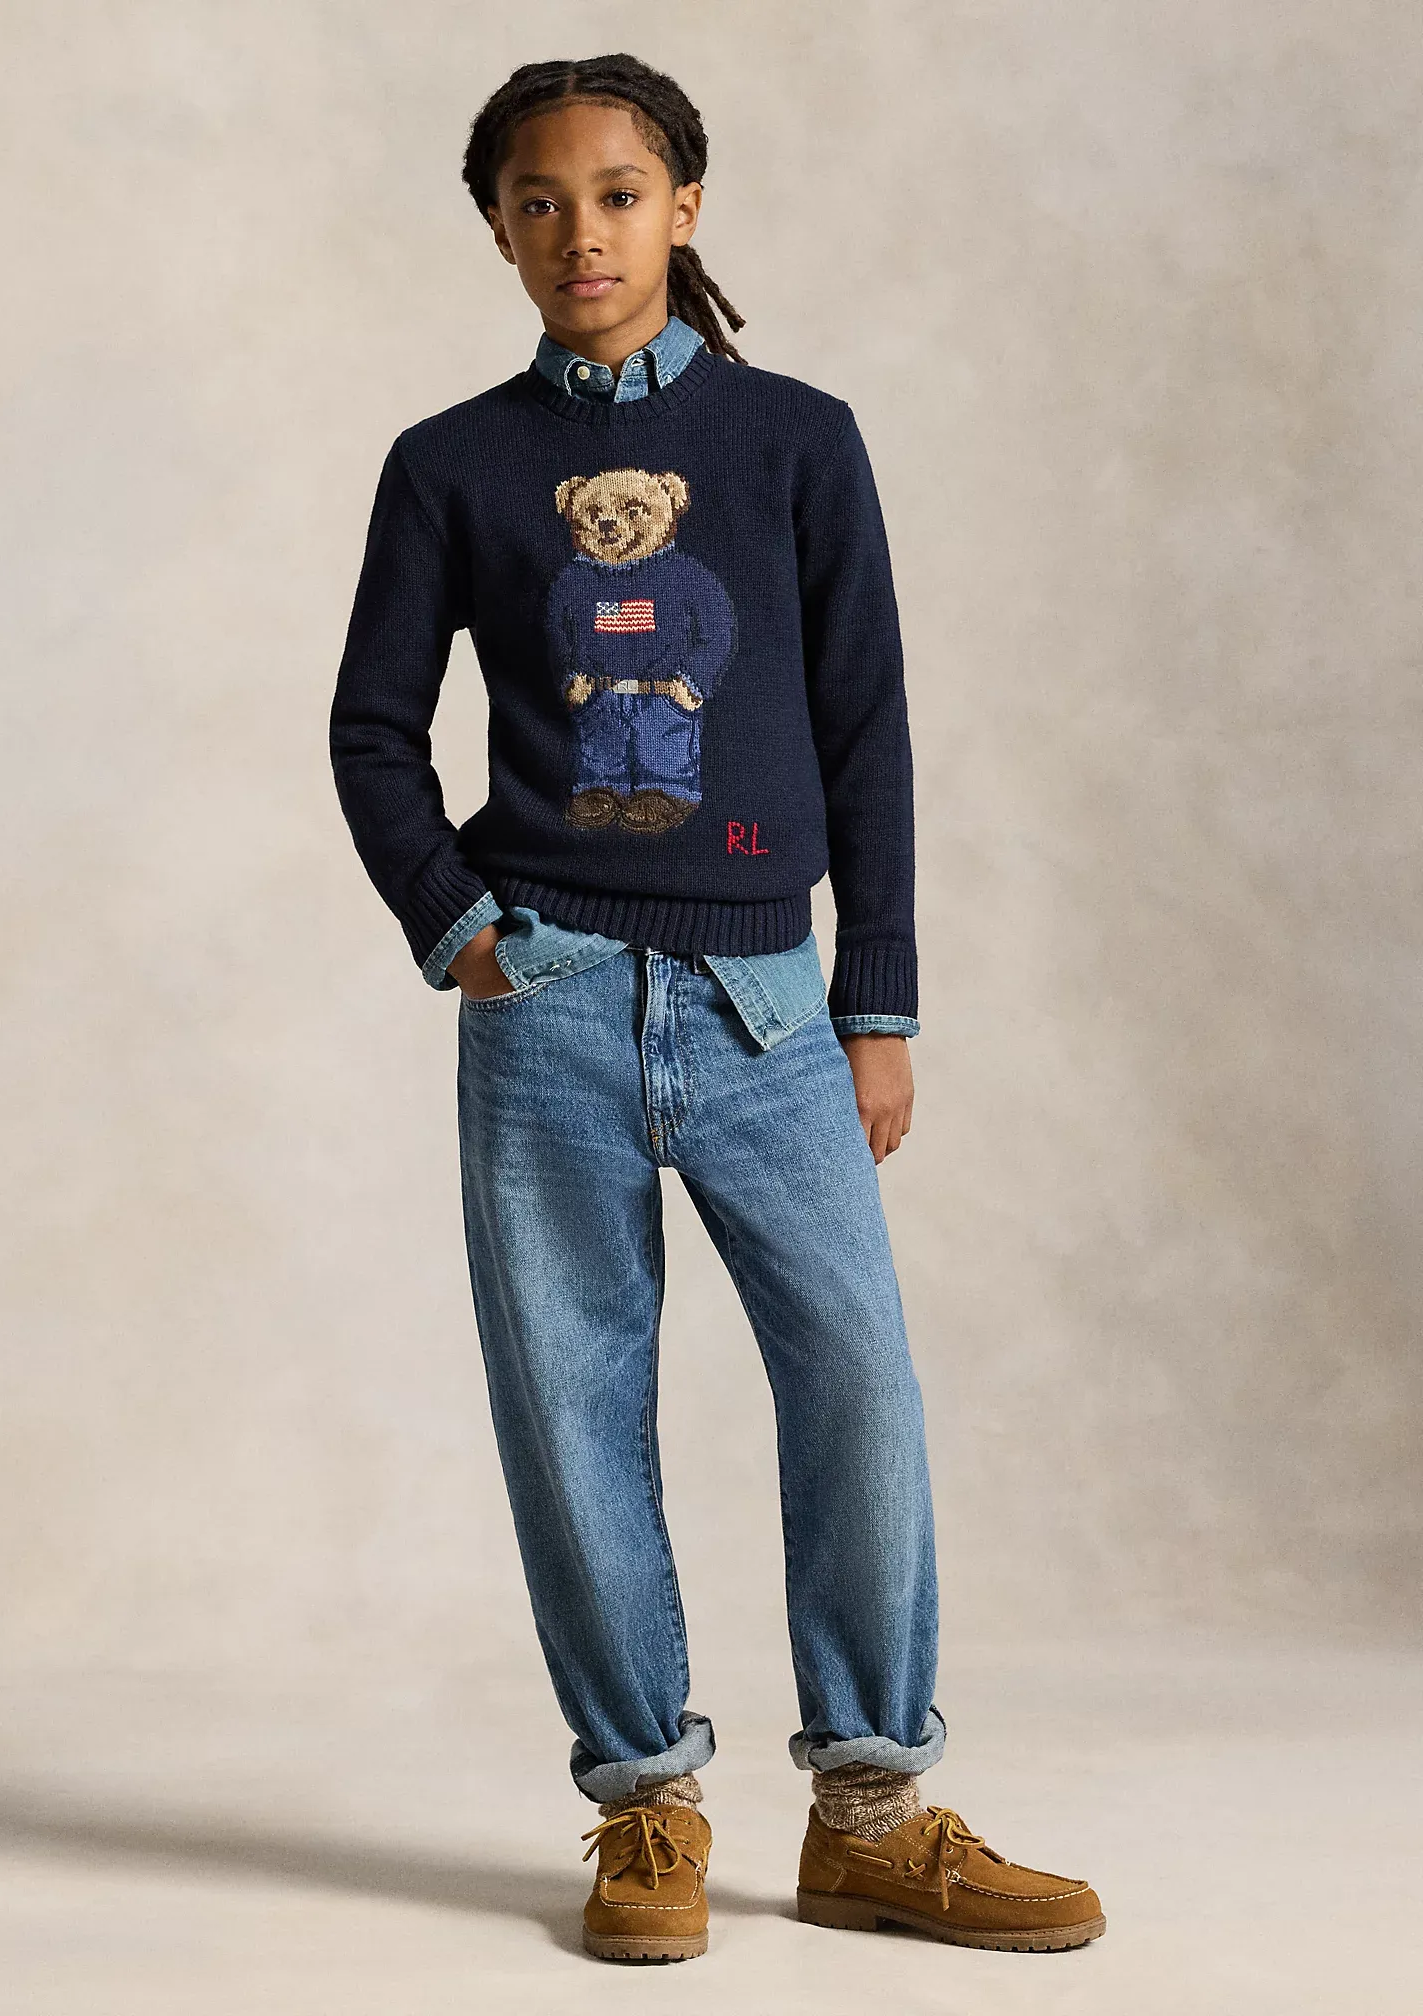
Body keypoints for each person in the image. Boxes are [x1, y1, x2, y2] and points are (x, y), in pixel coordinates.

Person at [329, 51, 1104, 1964]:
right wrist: (463, 932)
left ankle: (873, 1811)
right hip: (549, 1006)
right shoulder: (449, 465)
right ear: (496, 229)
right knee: (571, 1404)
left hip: (770, 1007)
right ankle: (645, 1810)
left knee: (857, 1381)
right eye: (536, 200)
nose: (578, 232)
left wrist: (879, 1000)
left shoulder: (798, 443)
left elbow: (866, 727)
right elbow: (370, 731)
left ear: (685, 208)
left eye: (616, 194)